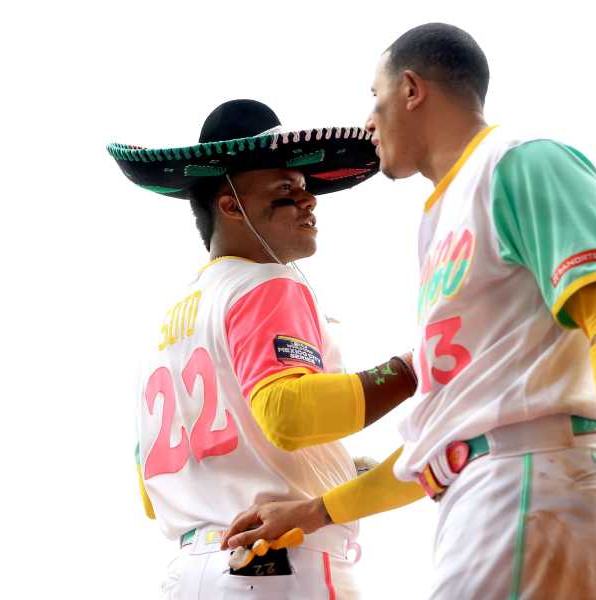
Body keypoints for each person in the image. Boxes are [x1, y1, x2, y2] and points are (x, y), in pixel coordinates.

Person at [224, 24, 596, 600]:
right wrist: (316, 510)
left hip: (530, 481)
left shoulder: (520, 163)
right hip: (489, 491)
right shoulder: (437, 220)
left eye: (376, 95)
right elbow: (447, 438)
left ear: (412, 89)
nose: (369, 119)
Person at [108, 99, 419, 599]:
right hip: (279, 562)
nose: (309, 200)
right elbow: (288, 414)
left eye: (305, 187)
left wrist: (337, 466)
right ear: (231, 205)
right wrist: (411, 369)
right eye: (286, 190)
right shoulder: (267, 283)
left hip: (188, 574)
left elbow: (153, 493)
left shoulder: (167, 327)